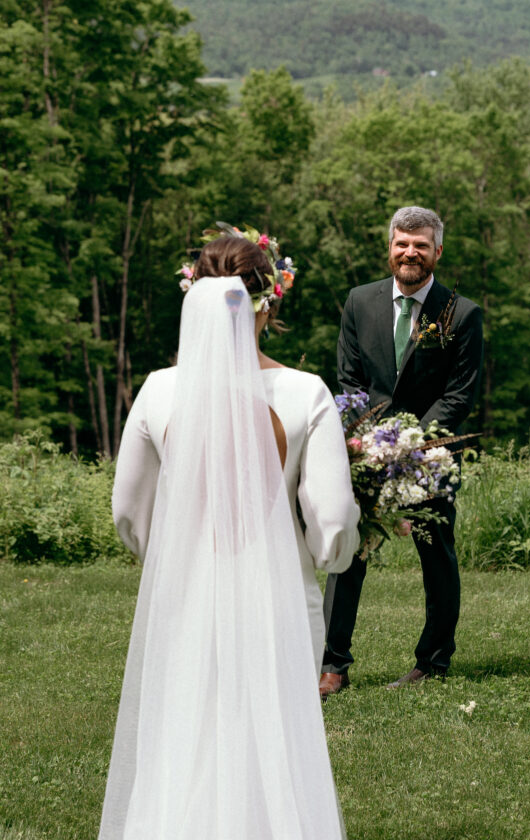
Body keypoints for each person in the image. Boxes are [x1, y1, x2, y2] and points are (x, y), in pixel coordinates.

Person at [99, 230, 359, 840]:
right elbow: (334, 519)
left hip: (184, 596)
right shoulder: (305, 393)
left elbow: (128, 514)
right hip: (280, 604)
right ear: (269, 302)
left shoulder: (159, 392)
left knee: (182, 741)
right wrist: (332, 555)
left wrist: (172, 550)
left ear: (194, 295)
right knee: (277, 745)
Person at [319, 206, 483, 698]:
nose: (410, 252)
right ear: (389, 246)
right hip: (365, 454)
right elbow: (349, 378)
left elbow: (460, 393)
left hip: (429, 456)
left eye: (421, 245)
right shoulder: (358, 301)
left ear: (437, 251)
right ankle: (332, 666)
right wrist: (373, 442)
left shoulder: (461, 313)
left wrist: (411, 443)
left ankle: (432, 662)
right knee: (348, 554)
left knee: (437, 556)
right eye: (402, 244)